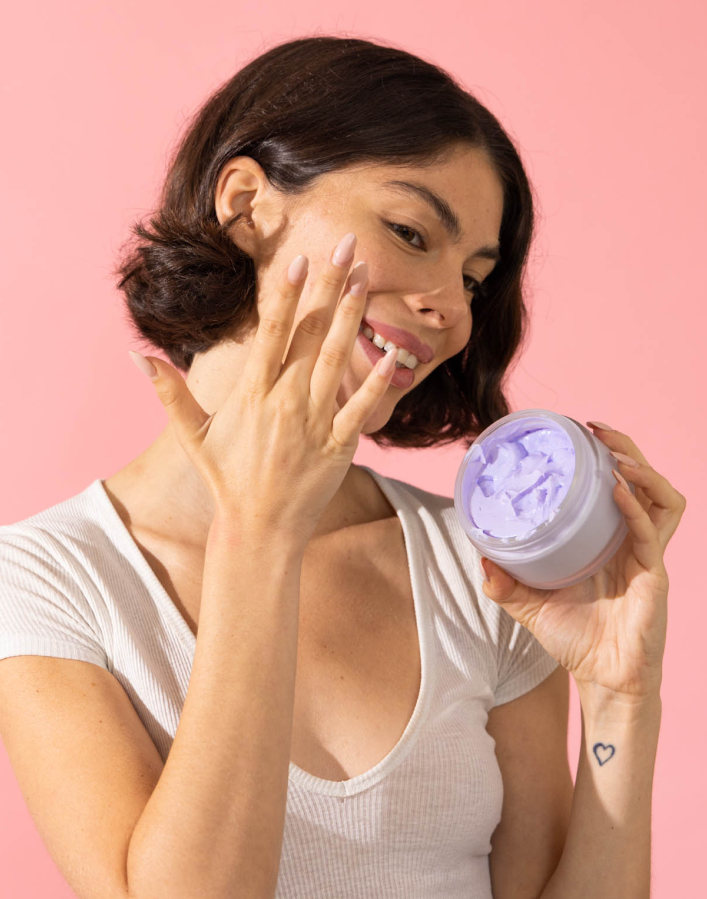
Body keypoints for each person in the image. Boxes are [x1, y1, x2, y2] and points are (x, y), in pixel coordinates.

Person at [0, 35, 684, 899]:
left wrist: (621, 701)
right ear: (247, 205)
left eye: (475, 277)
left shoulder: (475, 571)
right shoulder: (49, 581)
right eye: (409, 231)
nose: (449, 310)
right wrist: (261, 530)